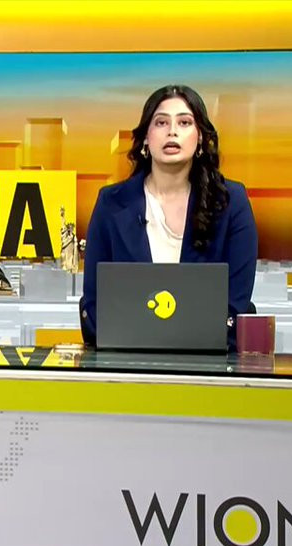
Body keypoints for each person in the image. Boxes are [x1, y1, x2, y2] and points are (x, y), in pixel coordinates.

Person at [79, 84, 257, 348]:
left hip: (211, 360)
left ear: (200, 137)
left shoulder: (231, 202)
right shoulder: (112, 204)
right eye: (161, 122)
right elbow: (95, 300)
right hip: (127, 358)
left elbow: (237, 301)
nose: (172, 131)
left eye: (184, 122)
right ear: (146, 138)